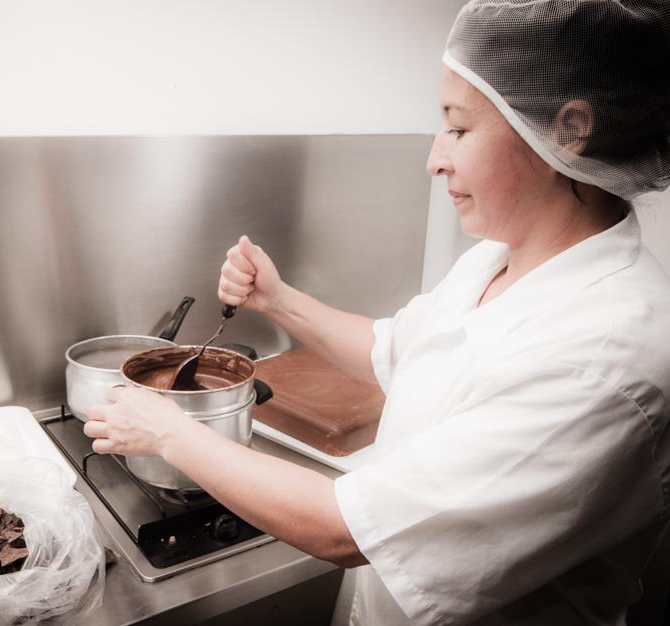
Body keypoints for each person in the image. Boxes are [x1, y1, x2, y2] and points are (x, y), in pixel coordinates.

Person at [84, 1, 670, 623]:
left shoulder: (604, 359)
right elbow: (395, 350)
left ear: (569, 128)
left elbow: (343, 531)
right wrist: (278, 300)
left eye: (460, 128)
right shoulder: (502, 256)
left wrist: (171, 432)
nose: (434, 159)